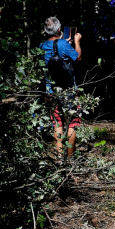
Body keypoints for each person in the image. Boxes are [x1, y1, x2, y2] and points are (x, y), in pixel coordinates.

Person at [40, 17, 82, 157]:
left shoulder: (41, 46)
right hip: (68, 89)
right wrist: (76, 42)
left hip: (50, 90)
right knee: (72, 122)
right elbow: (78, 57)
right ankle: (70, 159)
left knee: (57, 122)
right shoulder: (64, 44)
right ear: (59, 30)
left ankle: (59, 158)